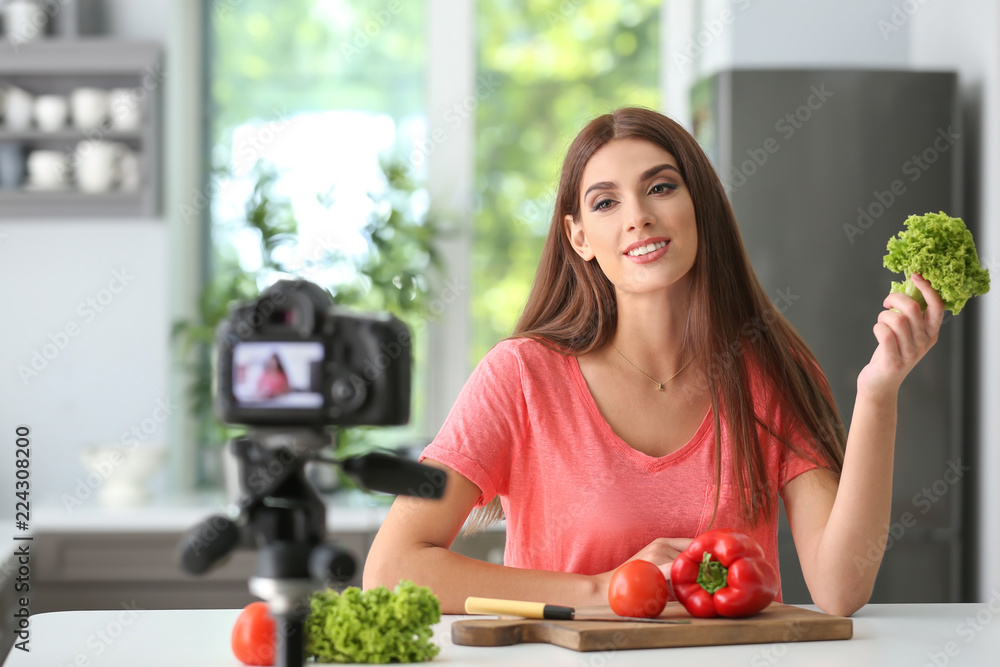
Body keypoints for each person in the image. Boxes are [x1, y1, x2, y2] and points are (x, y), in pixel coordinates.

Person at [363, 107, 943, 617]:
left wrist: (878, 394)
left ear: (700, 206)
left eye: (661, 188)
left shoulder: (769, 371)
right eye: (606, 202)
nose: (637, 215)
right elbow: (391, 570)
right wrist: (602, 589)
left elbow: (841, 590)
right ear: (579, 236)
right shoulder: (519, 376)